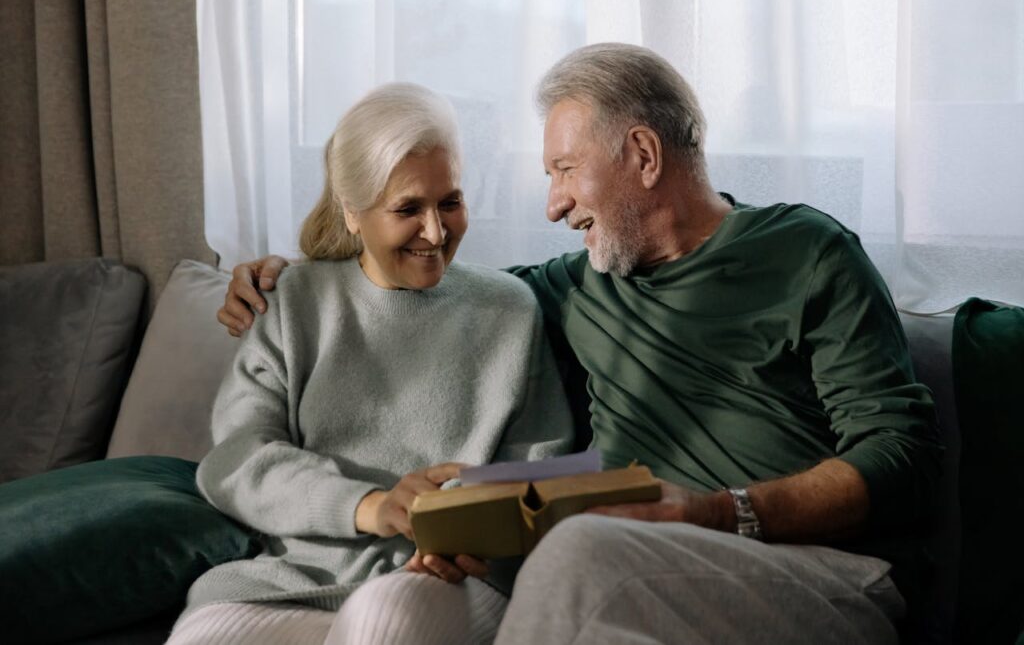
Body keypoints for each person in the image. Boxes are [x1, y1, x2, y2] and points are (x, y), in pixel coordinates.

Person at [218, 44, 944, 644]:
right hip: (640, 574)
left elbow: (901, 455)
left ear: (643, 155)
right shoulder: (578, 283)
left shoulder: (807, 252)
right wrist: (292, 273)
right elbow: (423, 282)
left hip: (817, 575)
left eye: (565, 171)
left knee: (575, 550)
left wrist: (716, 511)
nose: (553, 203)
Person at [169, 83, 573, 645]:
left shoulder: (508, 310)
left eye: (450, 202)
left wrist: (464, 531)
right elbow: (236, 461)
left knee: (380, 627)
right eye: (408, 209)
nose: (436, 232)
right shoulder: (288, 301)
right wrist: (371, 506)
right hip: (289, 580)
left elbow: (539, 470)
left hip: (442, 584)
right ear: (352, 213)